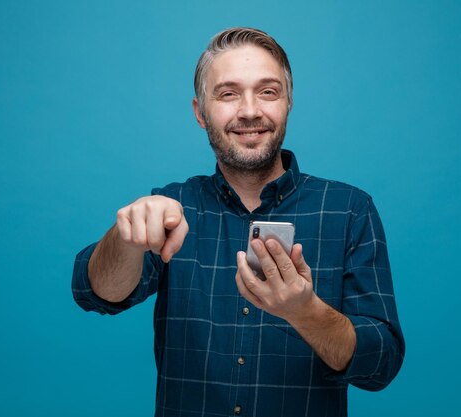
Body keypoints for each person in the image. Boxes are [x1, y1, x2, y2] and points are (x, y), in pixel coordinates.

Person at [72, 27, 405, 417]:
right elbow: (96, 293)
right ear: (200, 112)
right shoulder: (171, 208)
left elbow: (380, 364)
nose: (250, 110)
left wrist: (305, 312)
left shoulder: (349, 209)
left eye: (268, 91)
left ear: (288, 102)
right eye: (228, 94)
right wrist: (125, 238)